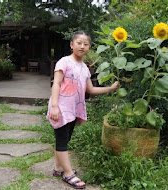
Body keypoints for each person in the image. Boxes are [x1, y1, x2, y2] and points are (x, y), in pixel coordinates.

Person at [46, 30, 119, 189]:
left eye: (86, 44)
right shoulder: (64, 62)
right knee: (62, 140)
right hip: (61, 108)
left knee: (65, 139)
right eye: (79, 43)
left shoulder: (85, 68)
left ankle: (59, 168)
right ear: (71, 44)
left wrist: (110, 89)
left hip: (73, 110)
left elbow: (90, 90)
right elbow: (56, 84)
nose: (82, 46)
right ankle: (68, 173)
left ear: (89, 48)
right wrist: (54, 106)